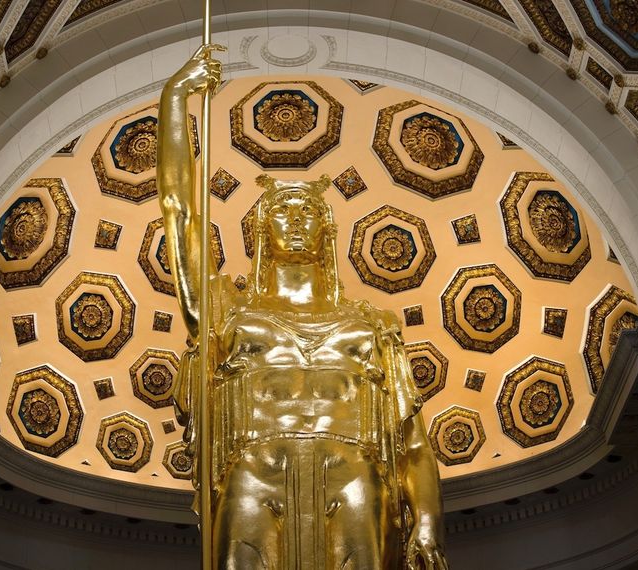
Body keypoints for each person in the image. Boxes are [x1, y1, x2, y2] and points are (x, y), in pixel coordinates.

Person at [157, 44, 448, 569]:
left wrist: (427, 522)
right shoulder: (227, 309)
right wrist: (175, 98)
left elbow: (412, 441)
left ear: (327, 229)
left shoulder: (372, 323)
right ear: (262, 229)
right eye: (282, 210)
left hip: (356, 475)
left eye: (308, 210)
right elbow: (179, 210)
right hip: (252, 473)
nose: (295, 219)